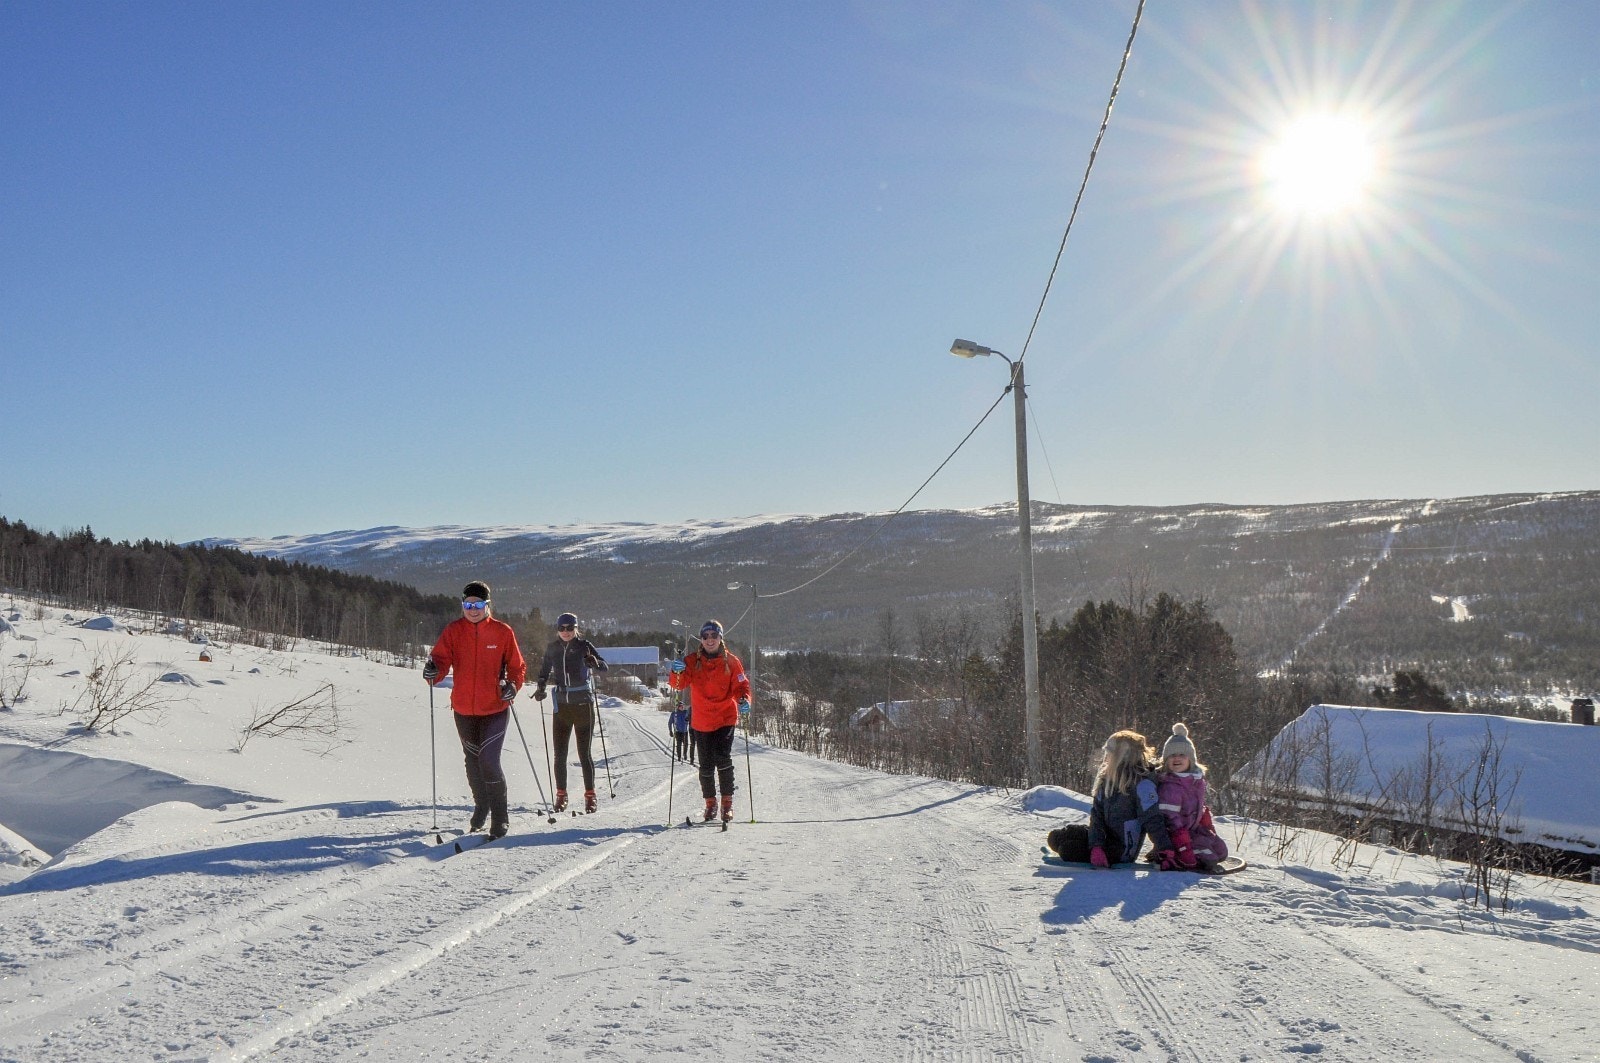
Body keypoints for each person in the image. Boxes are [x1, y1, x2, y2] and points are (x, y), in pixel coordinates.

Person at [423, 581, 526, 839]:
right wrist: (433, 672)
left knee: (489, 761)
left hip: (494, 708)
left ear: (487, 605)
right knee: (472, 761)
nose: (473, 609)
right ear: (462, 606)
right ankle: (482, 807)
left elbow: (518, 667)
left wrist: (513, 686)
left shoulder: (502, 632)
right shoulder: (454, 630)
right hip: (463, 709)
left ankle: (500, 818)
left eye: (478, 604)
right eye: (468, 605)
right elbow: (440, 660)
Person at [1045, 729, 1174, 867]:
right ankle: (1091, 846)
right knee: (1056, 837)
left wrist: (1164, 848)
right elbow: (1097, 816)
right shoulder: (1106, 780)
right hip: (1105, 837)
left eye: (1110, 753)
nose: (1106, 757)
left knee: (1067, 849)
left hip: (1121, 850)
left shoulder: (1142, 784)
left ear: (1121, 756)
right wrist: (1096, 846)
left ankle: (1083, 849)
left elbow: (1152, 818)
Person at [667, 620, 750, 822]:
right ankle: (710, 804)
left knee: (723, 758)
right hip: (702, 720)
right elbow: (678, 684)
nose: (710, 640)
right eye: (705, 636)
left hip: (725, 717)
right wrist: (676, 671)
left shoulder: (731, 661)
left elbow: (741, 686)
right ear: (701, 639)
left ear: (721, 638)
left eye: (714, 636)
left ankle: (727, 804)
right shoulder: (691, 661)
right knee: (705, 765)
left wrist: (744, 700)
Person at [533, 611, 608, 813]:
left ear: (576, 629)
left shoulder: (584, 646)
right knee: (560, 754)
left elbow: (604, 667)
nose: (565, 632)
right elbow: (543, 671)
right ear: (557, 629)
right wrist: (540, 687)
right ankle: (561, 796)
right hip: (562, 707)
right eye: (561, 628)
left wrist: (594, 663)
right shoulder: (552, 648)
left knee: (584, 753)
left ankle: (590, 796)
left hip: (583, 704)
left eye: (569, 628)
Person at [1154, 723, 1229, 870]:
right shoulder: (1170, 786)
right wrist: (1183, 844)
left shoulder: (1195, 780)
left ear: (1191, 759)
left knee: (1221, 852)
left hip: (1193, 830)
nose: (1177, 758)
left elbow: (1198, 805)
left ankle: (1198, 852)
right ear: (1166, 760)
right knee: (1207, 859)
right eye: (1172, 755)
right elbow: (1169, 818)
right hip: (1176, 835)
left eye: (1182, 755)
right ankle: (1171, 857)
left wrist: (1206, 823)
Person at [668, 697, 691, 762]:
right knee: (678, 745)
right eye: (681, 706)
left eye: (683, 706)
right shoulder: (674, 713)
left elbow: (690, 717)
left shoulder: (685, 712)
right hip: (678, 732)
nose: (682, 707)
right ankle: (679, 756)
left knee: (686, 744)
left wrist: (688, 719)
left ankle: (685, 754)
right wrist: (670, 730)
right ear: (678, 707)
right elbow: (670, 722)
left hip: (685, 731)